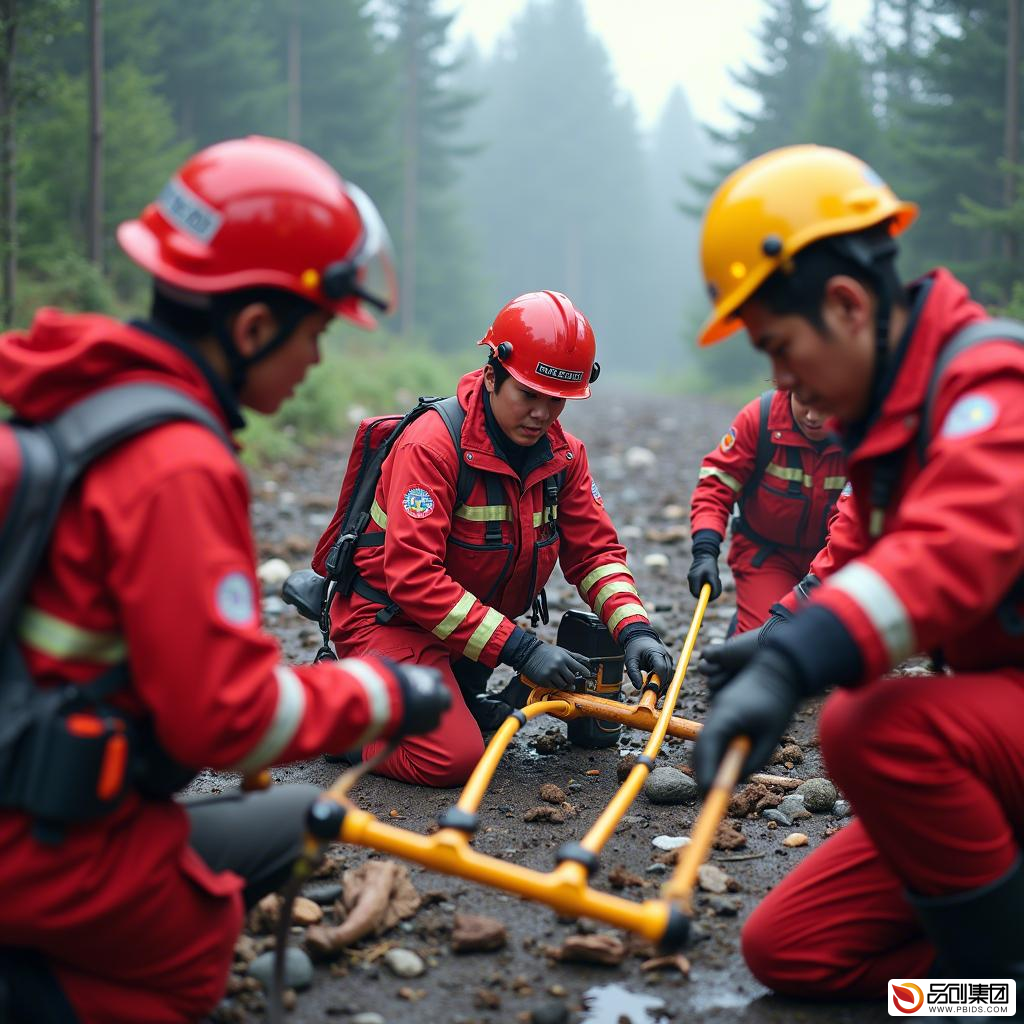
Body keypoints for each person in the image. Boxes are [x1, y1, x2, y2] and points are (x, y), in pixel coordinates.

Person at [0, 136, 450, 1024]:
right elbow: (227, 720)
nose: (318, 359)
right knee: (195, 955)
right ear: (252, 328)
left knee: (282, 823)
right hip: (39, 843)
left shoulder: (80, 396)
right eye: (317, 331)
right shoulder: (176, 465)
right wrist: (382, 692)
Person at [691, 144, 1024, 996]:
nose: (779, 380)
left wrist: (798, 661)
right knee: (788, 949)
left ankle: (998, 985)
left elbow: (950, 552)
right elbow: (856, 570)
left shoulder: (992, 384)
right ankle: (970, 984)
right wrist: (773, 648)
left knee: (869, 724)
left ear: (845, 304)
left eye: (781, 346)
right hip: (1005, 747)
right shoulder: (888, 429)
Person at [314, 290, 675, 787]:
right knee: (451, 760)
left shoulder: (565, 456)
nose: (542, 414)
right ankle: (345, 717)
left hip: (467, 634)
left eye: (558, 401)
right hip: (389, 622)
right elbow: (413, 579)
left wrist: (636, 631)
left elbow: (595, 554)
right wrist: (524, 651)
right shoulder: (433, 446)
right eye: (528, 395)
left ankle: (442, 694)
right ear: (490, 376)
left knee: (471, 727)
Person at [687, 388, 845, 634]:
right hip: (766, 555)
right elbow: (716, 486)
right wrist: (705, 551)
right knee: (766, 641)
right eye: (804, 399)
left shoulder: (864, 434)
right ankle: (748, 620)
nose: (813, 416)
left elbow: (853, 526)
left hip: (835, 560)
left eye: (823, 404)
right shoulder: (760, 419)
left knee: (826, 653)